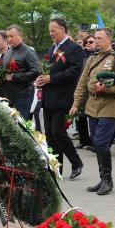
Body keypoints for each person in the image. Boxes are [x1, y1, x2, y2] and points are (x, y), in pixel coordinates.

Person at [70, 27, 115, 195]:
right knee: (97, 144)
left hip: (109, 106)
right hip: (92, 106)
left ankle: (107, 180)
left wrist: (107, 89)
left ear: (109, 40)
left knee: (102, 143)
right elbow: (82, 83)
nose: (96, 41)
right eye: (95, 38)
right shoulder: (92, 58)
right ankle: (102, 178)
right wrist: (76, 103)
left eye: (99, 38)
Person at [36, 18, 84, 180]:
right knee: (50, 134)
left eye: (53, 30)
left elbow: (74, 72)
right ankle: (56, 167)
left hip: (64, 97)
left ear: (63, 29)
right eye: (50, 31)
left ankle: (76, 162)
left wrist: (51, 79)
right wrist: (42, 79)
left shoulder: (74, 48)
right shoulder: (52, 49)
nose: (51, 33)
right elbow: (47, 69)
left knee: (58, 131)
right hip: (49, 97)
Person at [0, 24, 41, 118]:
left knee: (21, 127)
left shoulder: (28, 52)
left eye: (12, 36)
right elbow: (3, 69)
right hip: (8, 95)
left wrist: (15, 77)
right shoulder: (8, 51)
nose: (9, 39)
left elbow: (36, 71)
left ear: (20, 35)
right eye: (8, 36)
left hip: (23, 96)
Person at [75, 35, 97, 149]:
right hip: (82, 88)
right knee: (80, 116)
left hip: (93, 89)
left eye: (91, 42)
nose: (88, 44)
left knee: (93, 116)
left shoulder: (98, 55)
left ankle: (95, 142)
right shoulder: (80, 55)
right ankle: (84, 140)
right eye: (86, 42)